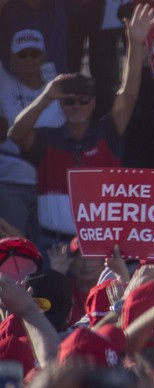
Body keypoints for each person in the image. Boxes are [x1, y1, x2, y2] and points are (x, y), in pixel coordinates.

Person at [7, 4, 154, 254]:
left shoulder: (107, 132)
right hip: (52, 243)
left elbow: (128, 95)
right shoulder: (47, 139)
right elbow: (16, 134)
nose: (76, 105)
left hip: (100, 244)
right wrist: (46, 95)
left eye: (83, 100)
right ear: (61, 104)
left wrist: (135, 43)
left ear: (94, 102)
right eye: (69, 101)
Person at [0, 30, 65, 241]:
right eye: (22, 54)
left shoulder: (59, 85)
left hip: (48, 184)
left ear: (44, 56)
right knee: (12, 246)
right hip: (10, 181)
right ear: (12, 58)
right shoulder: (3, 81)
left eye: (34, 54)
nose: (29, 59)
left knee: (45, 246)